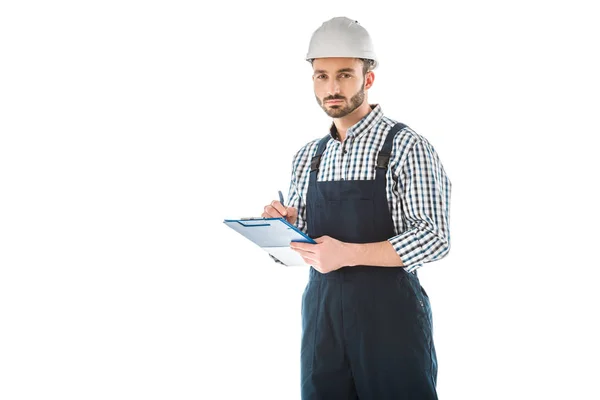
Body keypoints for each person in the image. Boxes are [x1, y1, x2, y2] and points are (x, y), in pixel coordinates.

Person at [261, 16, 451, 399]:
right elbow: (304, 249)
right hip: (322, 318)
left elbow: (434, 239)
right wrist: (288, 226)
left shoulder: (406, 146)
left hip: (389, 322)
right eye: (322, 75)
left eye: (345, 75)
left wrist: (348, 254)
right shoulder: (308, 156)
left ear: (368, 78)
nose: (332, 87)